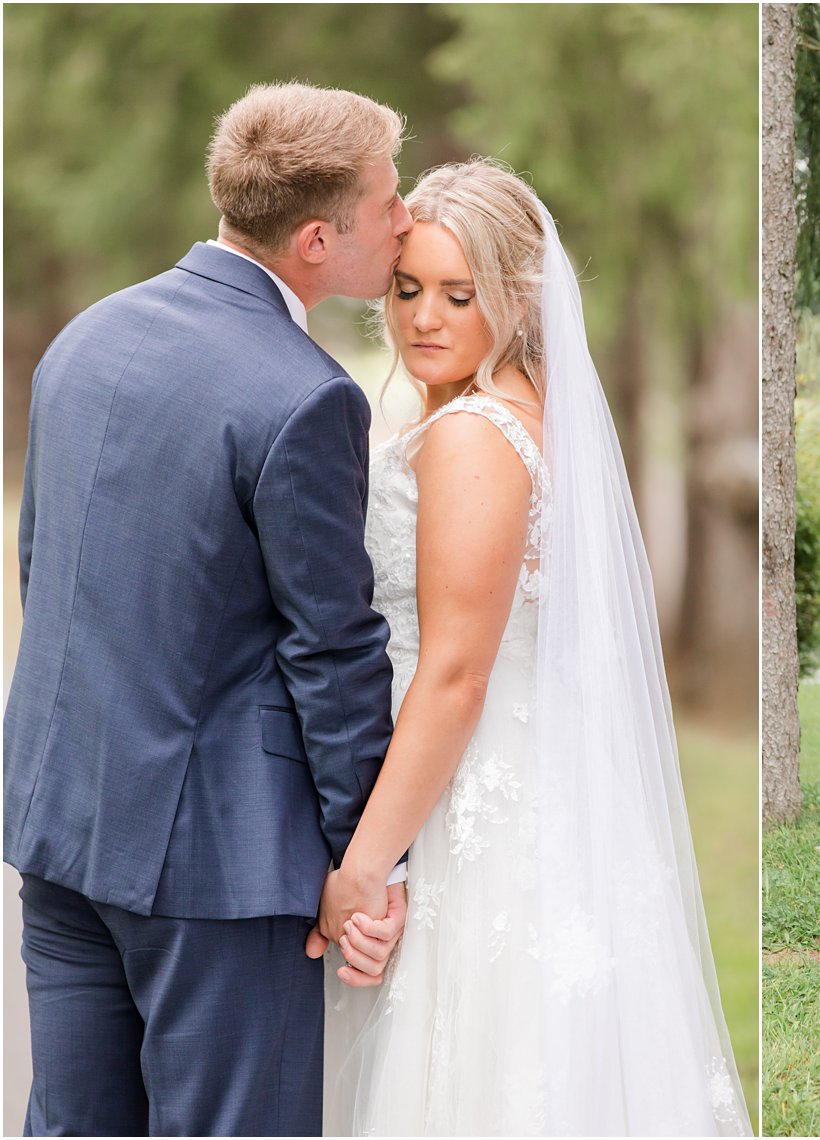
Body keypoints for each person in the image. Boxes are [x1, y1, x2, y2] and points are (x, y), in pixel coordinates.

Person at [4, 82, 411, 1135]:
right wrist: (365, 862)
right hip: (219, 871)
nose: (403, 219)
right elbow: (333, 651)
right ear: (319, 239)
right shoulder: (304, 393)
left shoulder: (89, 335)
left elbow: (45, 568)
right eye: (389, 200)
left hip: (63, 828)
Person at [317, 158, 749, 1135]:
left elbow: (456, 673)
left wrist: (365, 866)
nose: (422, 317)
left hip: (471, 806)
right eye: (407, 288)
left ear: (515, 298)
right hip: (518, 784)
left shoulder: (473, 435)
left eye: (456, 295)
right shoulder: (522, 420)